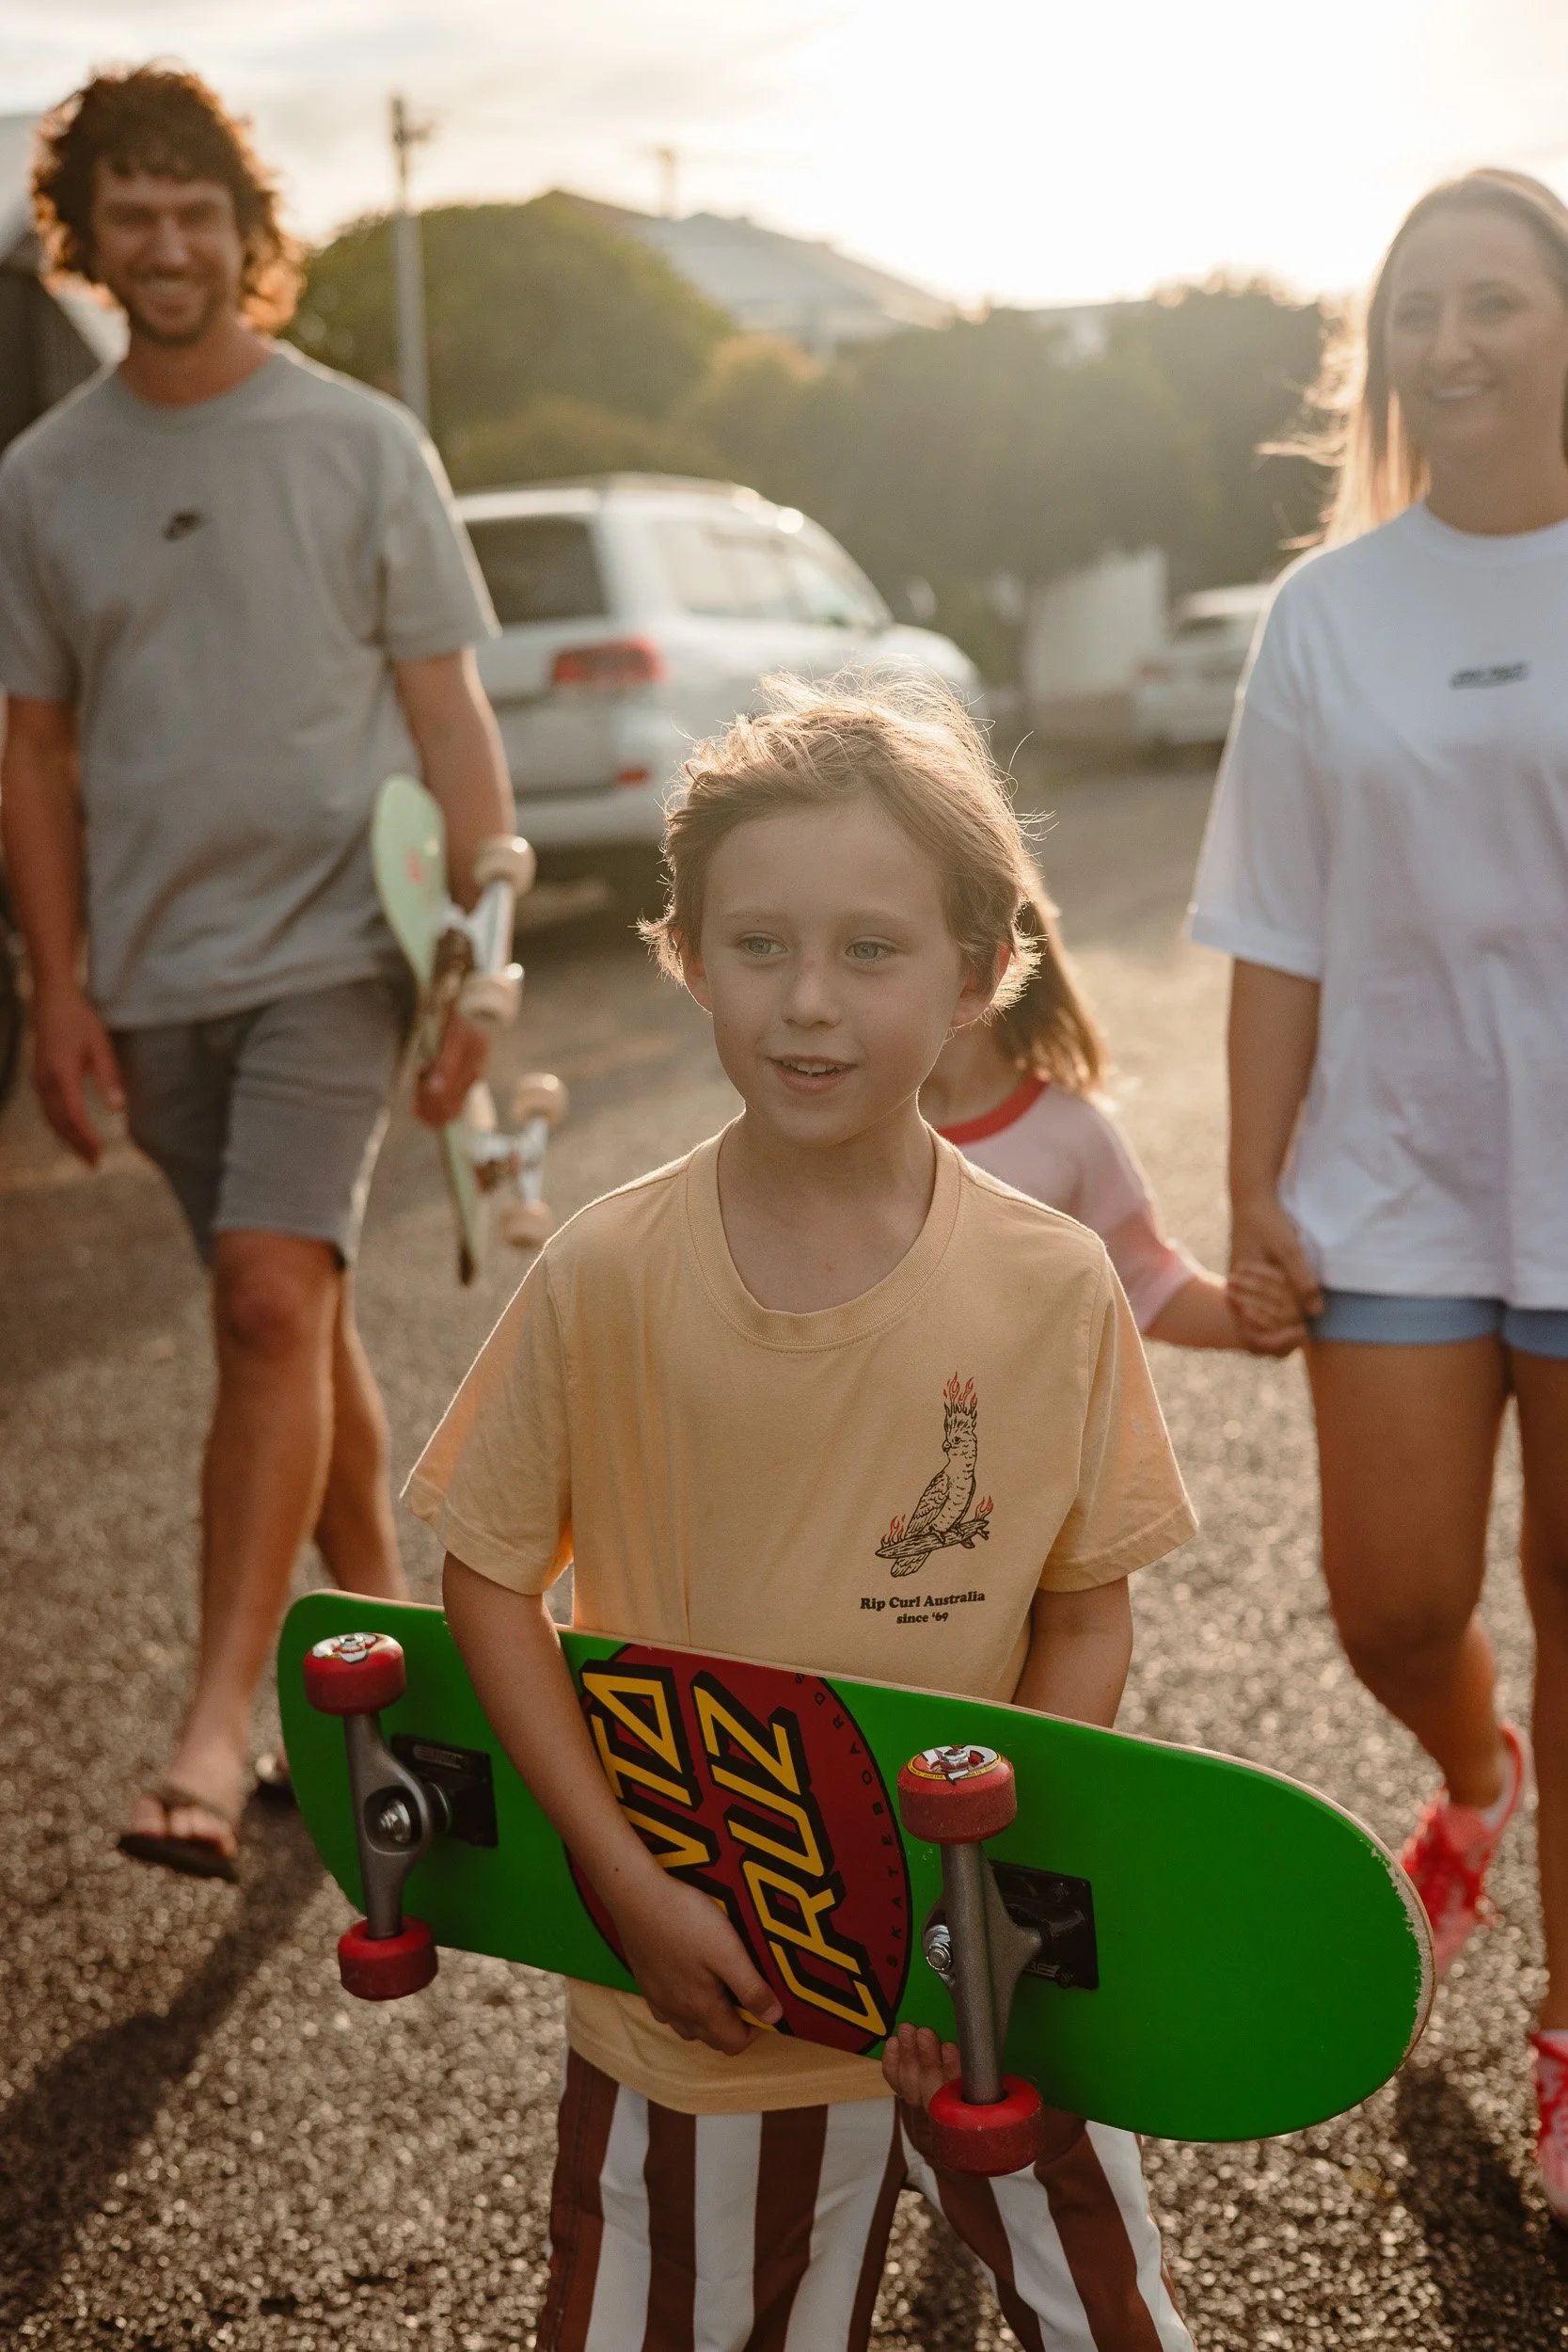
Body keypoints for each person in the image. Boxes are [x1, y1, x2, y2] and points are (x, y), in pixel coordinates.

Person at [409, 680, 1197, 2350]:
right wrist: (620, 1887)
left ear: (982, 974)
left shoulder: (1053, 1286)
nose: (808, 1005)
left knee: (1110, 2323)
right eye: (757, 946)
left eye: (870, 950)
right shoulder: (606, 1270)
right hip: (701, 1990)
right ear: (685, 952)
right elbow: (488, 1587)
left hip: (969, 1975)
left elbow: (1084, 1606)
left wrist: (962, 1915)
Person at [0, 67, 511, 1880]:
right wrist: (57, 990)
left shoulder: (359, 441)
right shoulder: (44, 483)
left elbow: (451, 712)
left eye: (193, 209)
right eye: (127, 213)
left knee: (267, 1304)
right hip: (150, 971)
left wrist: (476, 947)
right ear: (87, 239)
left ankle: (220, 1731)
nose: (164, 244)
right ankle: (394, 1651)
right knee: (286, 1307)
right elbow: (35, 754)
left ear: (244, 228)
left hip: (330, 945)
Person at [1190, 168, 1568, 2223]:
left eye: (1491, 300)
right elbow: (1269, 926)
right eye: (1415, 308)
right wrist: (1248, 1186)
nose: (1448, 341)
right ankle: (1472, 1770)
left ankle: (1564, 2048)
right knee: (1394, 1600)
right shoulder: (1325, 611)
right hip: (1392, 1183)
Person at [918, 891, 1302, 1355]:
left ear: (986, 969)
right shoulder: (835, 1130)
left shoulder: (1070, 1133)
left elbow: (1143, 1281)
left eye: (874, 952)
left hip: (1033, 1421)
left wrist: (1252, 1320)